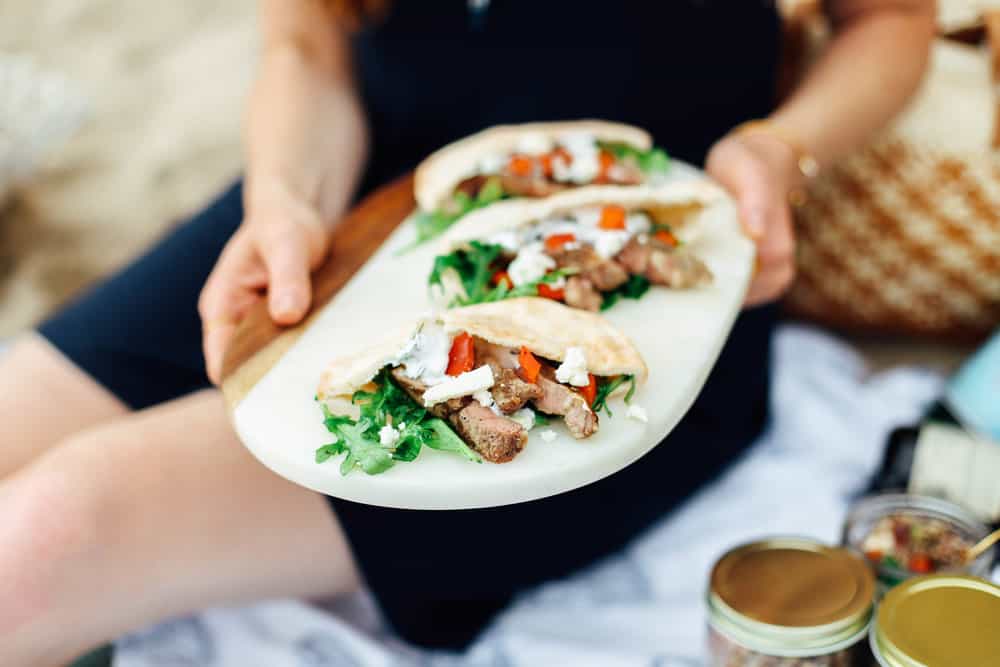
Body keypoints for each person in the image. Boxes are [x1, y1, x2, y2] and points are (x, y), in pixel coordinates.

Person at [0, 1, 934, 663]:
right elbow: (306, 40)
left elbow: (890, 18)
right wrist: (285, 196)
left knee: (43, 541)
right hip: (357, 211)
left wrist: (782, 146)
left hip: (635, 280)